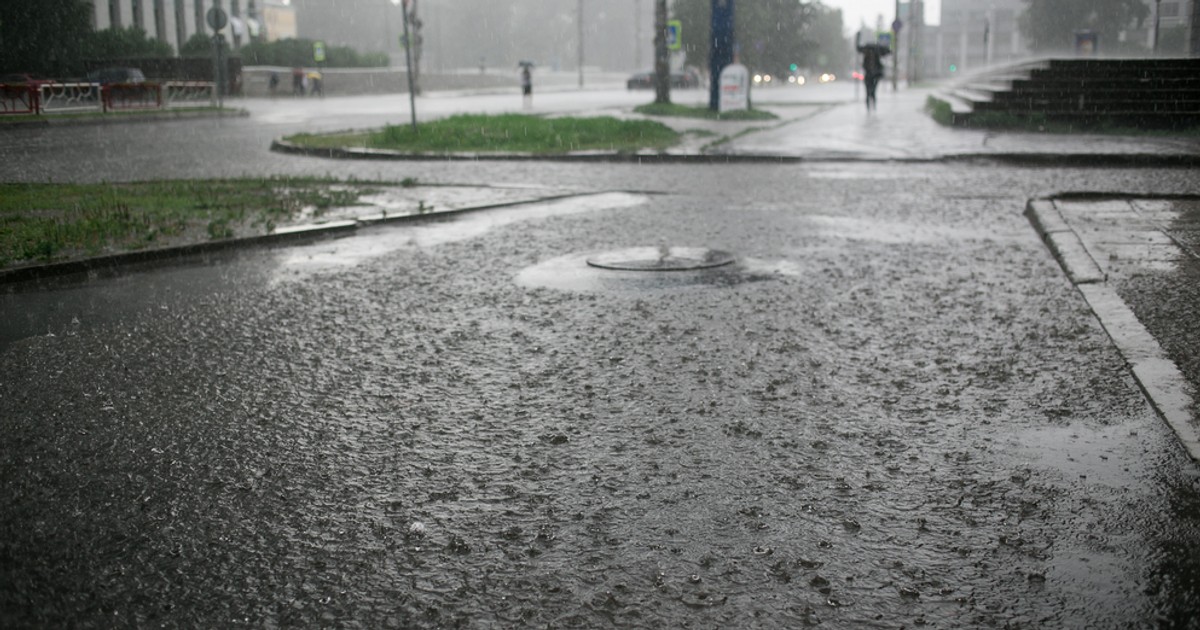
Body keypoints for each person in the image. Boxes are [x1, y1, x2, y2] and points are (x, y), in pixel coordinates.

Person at [858, 44, 887, 111]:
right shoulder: (870, 57)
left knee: (872, 92)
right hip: (870, 77)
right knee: (869, 92)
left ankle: (872, 106)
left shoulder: (874, 57)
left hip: (873, 77)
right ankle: (870, 107)